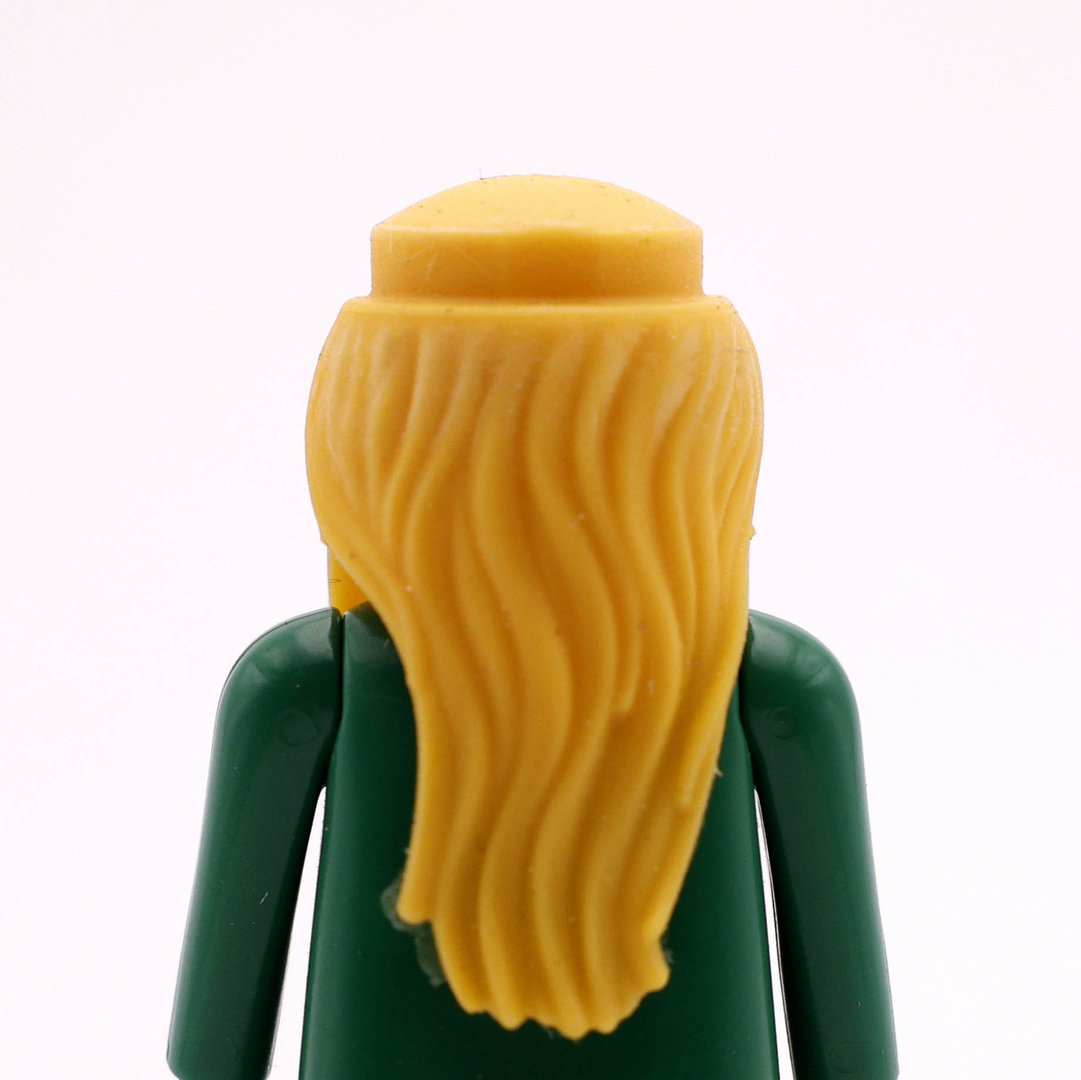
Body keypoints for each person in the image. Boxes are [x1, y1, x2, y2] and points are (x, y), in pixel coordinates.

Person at [168, 176, 897, 1079]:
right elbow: (851, 1042)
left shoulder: (308, 682)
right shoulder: (776, 685)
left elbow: (214, 1038)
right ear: (715, 436)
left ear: (360, 433)